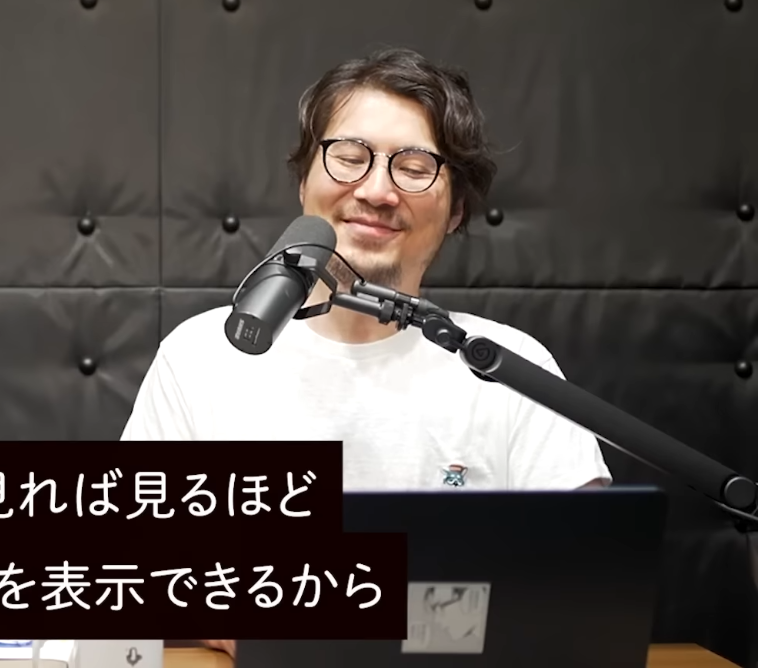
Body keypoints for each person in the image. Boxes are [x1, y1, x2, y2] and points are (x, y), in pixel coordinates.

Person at [122, 48, 610, 657]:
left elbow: (587, 586)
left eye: (415, 168)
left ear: (457, 209)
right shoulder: (202, 355)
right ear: (304, 181)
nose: (377, 191)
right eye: (350, 158)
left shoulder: (509, 366)